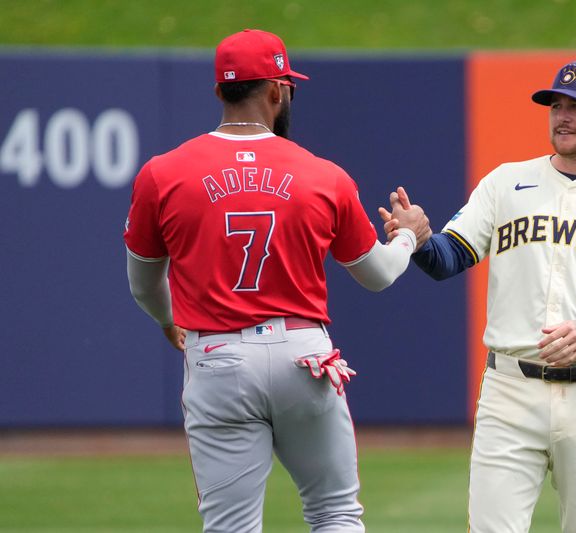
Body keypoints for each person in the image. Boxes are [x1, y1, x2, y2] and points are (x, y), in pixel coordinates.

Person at [124, 29, 430, 533]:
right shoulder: (323, 174)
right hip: (304, 356)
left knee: (231, 526)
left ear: (220, 91)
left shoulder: (164, 173)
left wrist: (167, 320)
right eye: (288, 86)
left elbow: (142, 283)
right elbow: (376, 275)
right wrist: (409, 237)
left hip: (218, 356)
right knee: (335, 514)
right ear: (275, 91)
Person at [380, 61, 576, 532]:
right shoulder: (507, 182)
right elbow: (449, 259)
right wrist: (419, 240)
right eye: (556, 105)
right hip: (509, 390)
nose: (563, 115)